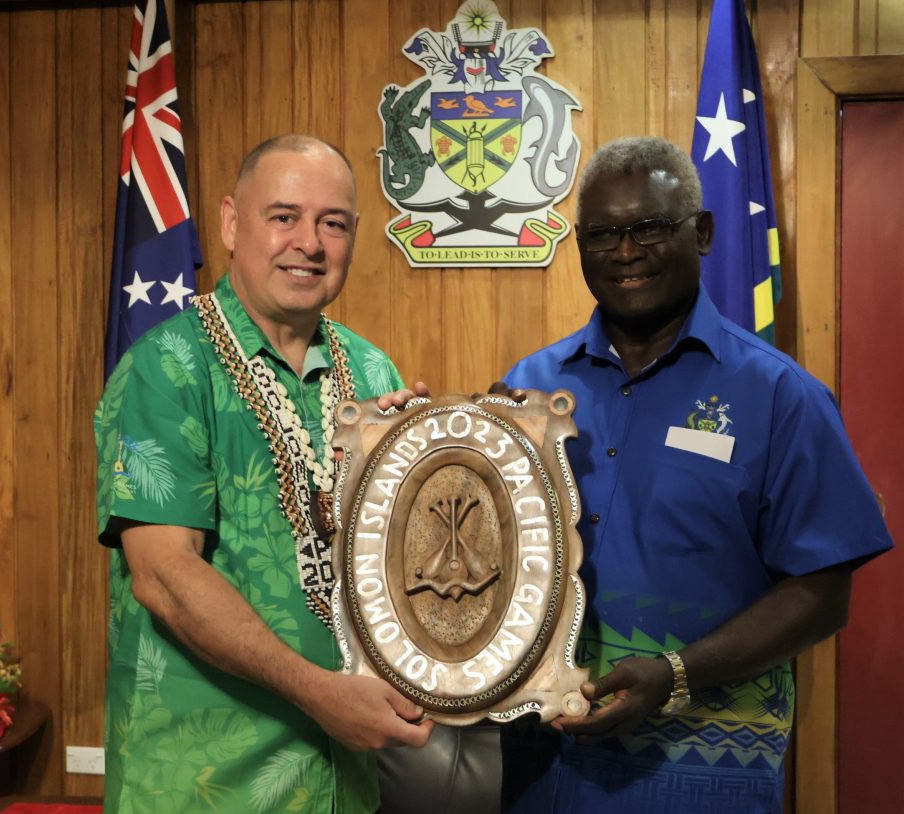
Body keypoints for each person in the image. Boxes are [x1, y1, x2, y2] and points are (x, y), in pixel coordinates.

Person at [499, 136, 892, 814]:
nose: (625, 252)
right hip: (544, 774)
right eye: (602, 235)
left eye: (650, 227)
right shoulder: (527, 388)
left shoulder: (780, 395)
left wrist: (676, 674)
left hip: (709, 776)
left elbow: (825, 594)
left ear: (702, 232)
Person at [93, 135, 433, 814]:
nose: (309, 242)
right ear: (230, 224)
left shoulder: (373, 372)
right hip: (204, 785)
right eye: (283, 216)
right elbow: (165, 577)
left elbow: (401, 568)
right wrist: (320, 693)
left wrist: (423, 471)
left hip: (345, 781)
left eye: (332, 224)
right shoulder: (166, 367)